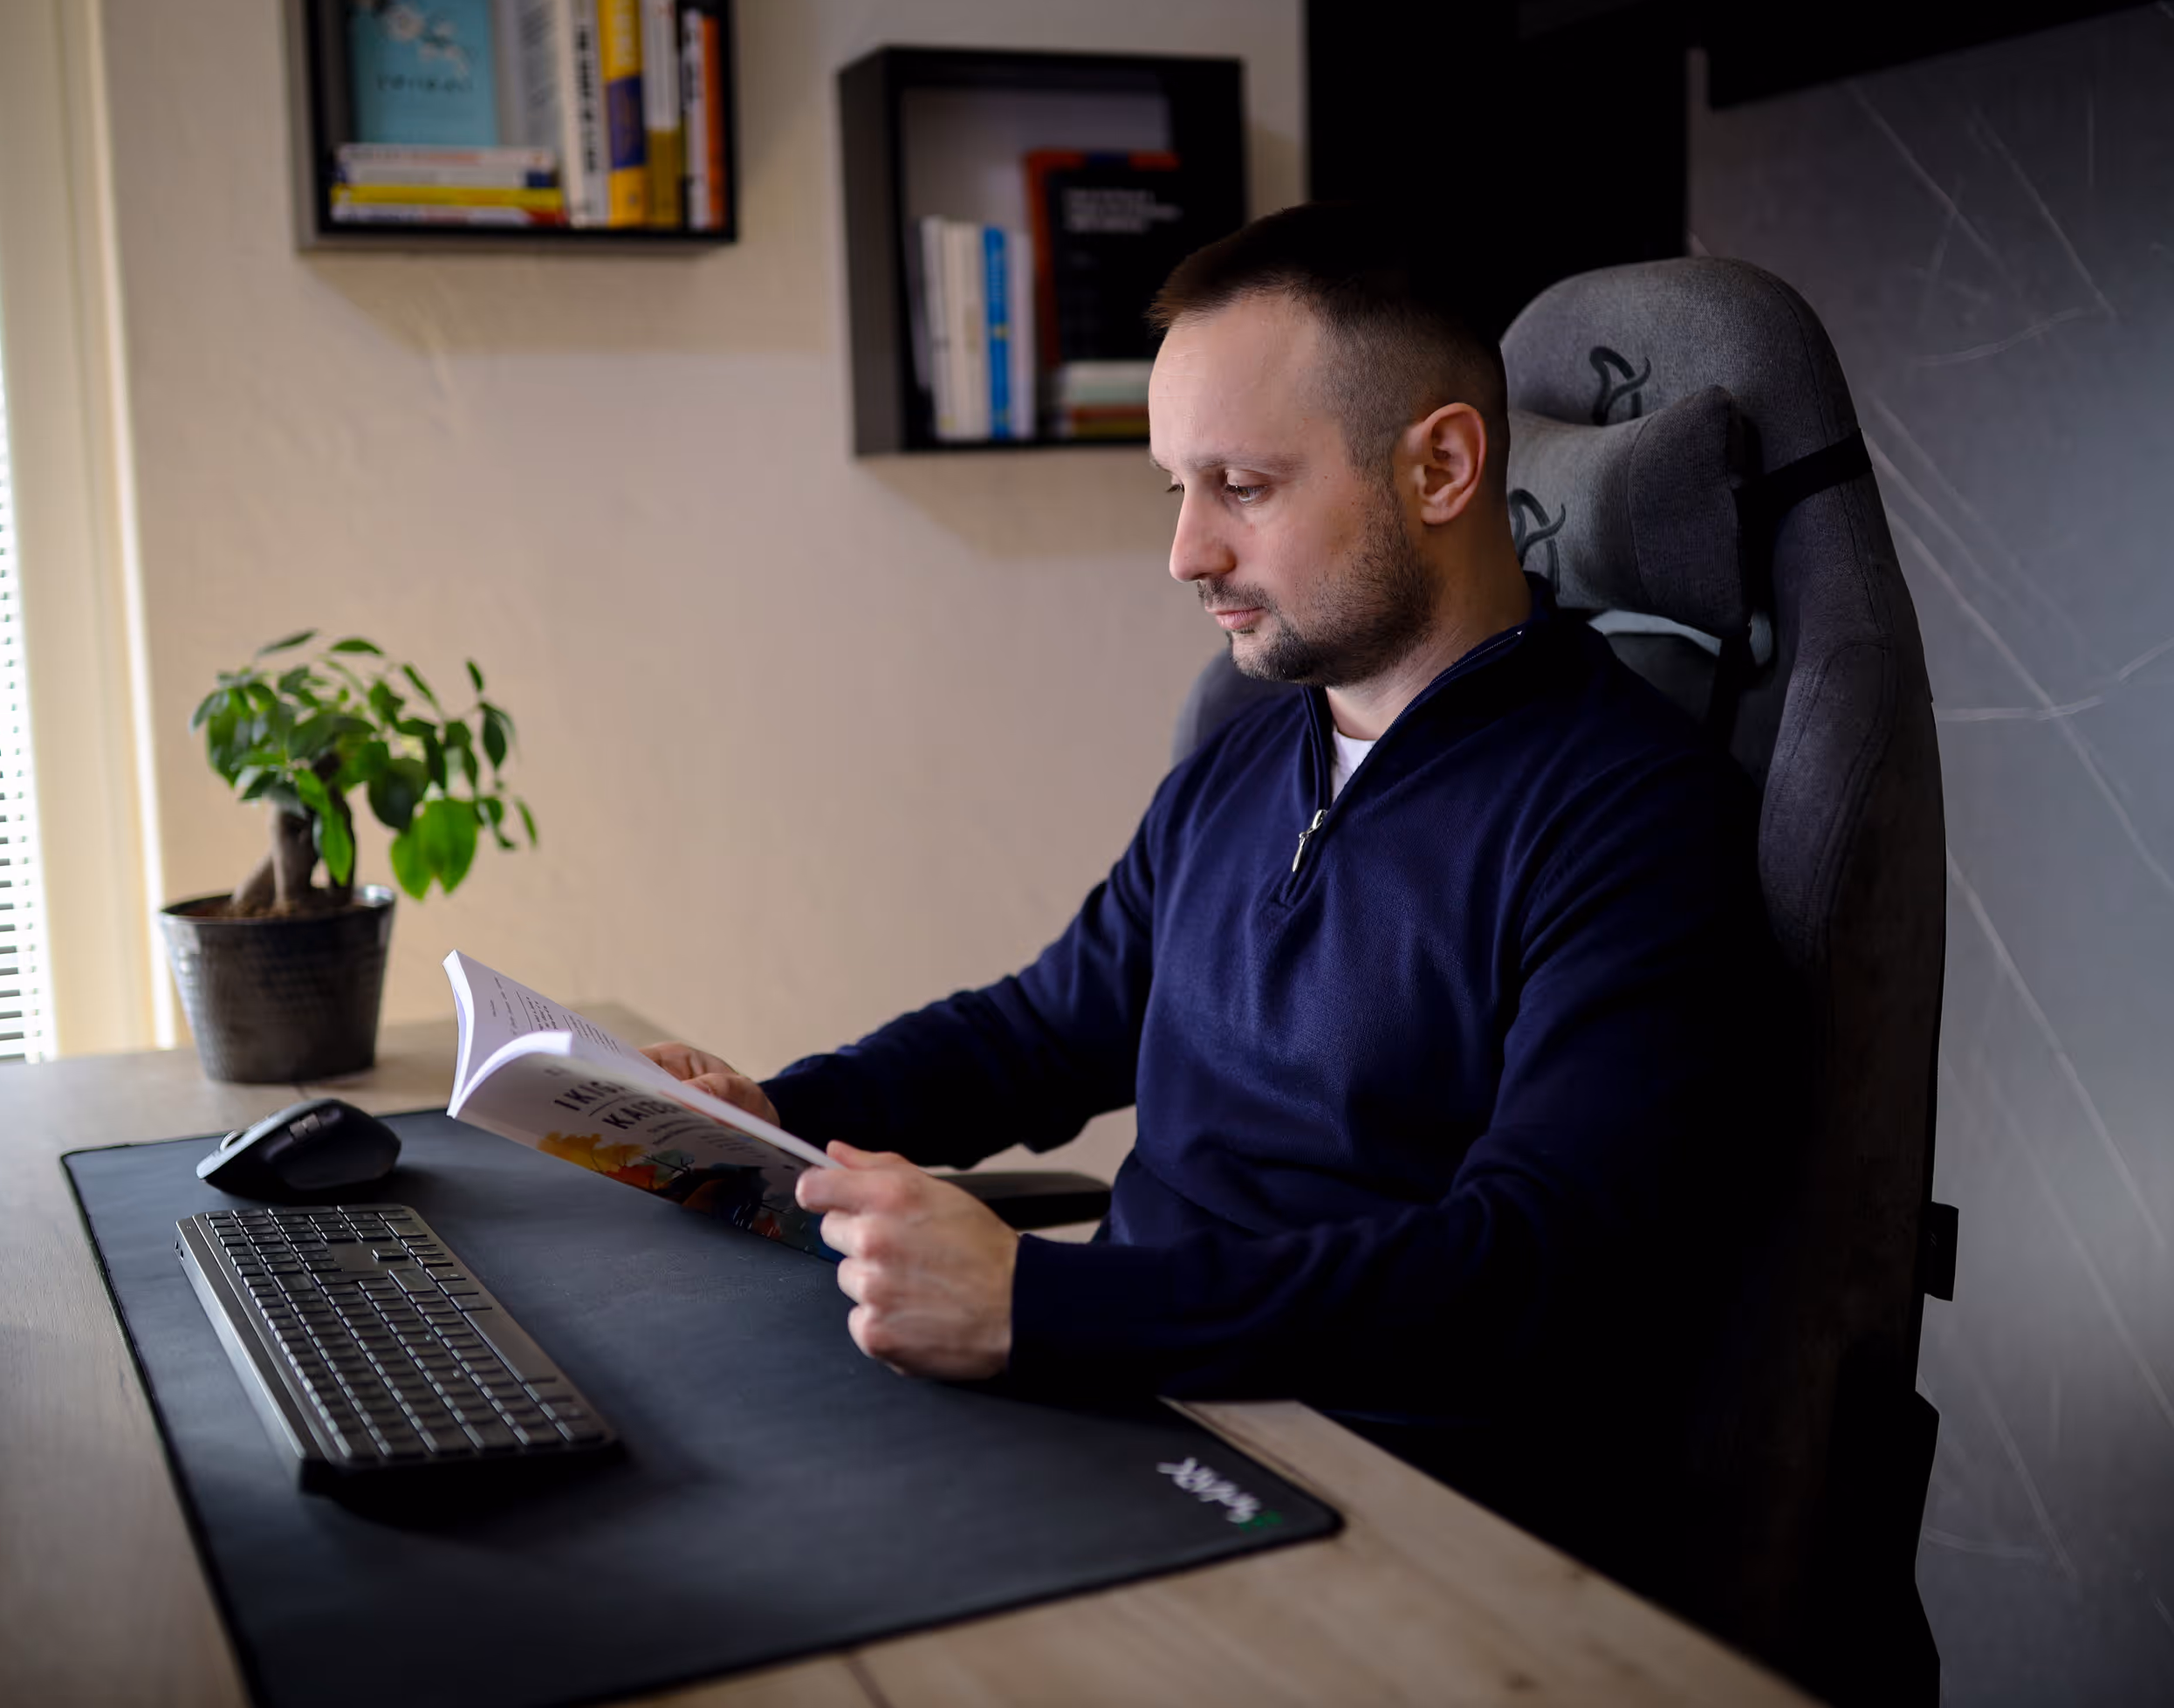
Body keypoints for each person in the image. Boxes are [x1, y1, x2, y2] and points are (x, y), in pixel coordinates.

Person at [641, 202, 1795, 1595]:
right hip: (1135, 1402)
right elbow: (1044, 1030)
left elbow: (1525, 1270)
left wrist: (1043, 1300)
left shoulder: (1627, 812)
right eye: (1175, 492)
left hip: (1377, 1499)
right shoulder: (1252, 751)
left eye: (1241, 487)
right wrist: (766, 1116)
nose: (1187, 554)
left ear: (1438, 465)